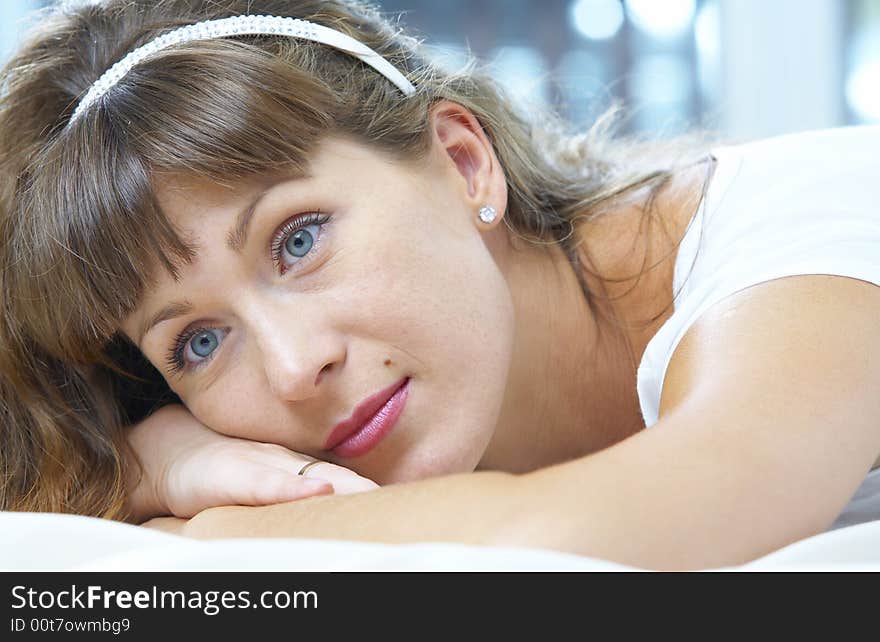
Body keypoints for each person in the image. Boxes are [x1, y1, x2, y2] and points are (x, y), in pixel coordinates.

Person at [0, 0, 878, 571]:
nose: (294, 365)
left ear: (463, 162)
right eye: (197, 342)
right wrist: (160, 461)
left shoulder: (800, 231)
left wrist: (217, 537)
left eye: (298, 240)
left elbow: (648, 533)